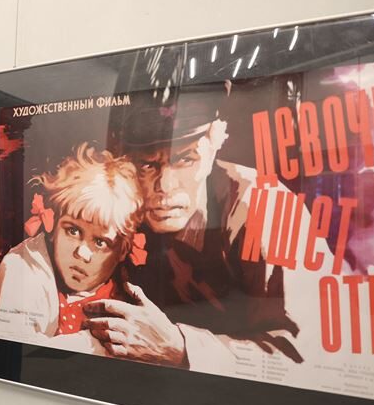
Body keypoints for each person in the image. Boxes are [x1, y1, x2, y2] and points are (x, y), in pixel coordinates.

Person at [87, 81, 327, 371]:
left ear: (215, 141)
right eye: (147, 165)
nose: (165, 186)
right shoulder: (118, 199)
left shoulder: (264, 206)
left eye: (185, 159)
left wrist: (180, 348)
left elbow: (303, 353)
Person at [0, 143, 149, 356]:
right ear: (54, 227)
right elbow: (19, 353)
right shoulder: (21, 268)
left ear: (122, 251)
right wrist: (96, 343)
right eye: (73, 231)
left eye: (100, 242)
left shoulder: (125, 289)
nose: (81, 253)